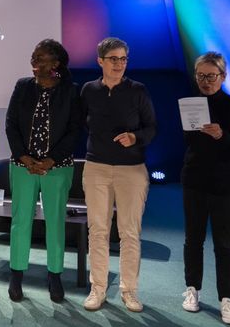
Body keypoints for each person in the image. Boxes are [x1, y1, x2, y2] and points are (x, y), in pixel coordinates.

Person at [80, 37, 156, 312]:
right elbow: (80, 122)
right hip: (96, 168)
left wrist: (135, 137)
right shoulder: (88, 90)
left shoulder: (138, 90)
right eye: (113, 58)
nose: (119, 64)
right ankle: (97, 289)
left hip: (132, 170)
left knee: (129, 232)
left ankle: (129, 291)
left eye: (123, 58)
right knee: (98, 231)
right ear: (100, 61)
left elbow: (152, 128)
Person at [5, 39, 81, 302]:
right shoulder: (23, 86)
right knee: (21, 221)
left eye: (40, 59)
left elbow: (74, 131)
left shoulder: (71, 91)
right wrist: (24, 157)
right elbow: (11, 124)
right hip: (23, 166)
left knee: (55, 222)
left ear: (55, 64)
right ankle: (16, 276)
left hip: (57, 167)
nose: (34, 63)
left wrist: (50, 160)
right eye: (33, 58)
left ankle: (55, 276)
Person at [180, 52, 230, 325]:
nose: (206, 81)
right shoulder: (190, 104)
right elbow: (188, 142)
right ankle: (192, 290)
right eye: (201, 76)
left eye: (211, 76)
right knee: (193, 239)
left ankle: (227, 300)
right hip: (194, 181)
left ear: (223, 76)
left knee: (224, 244)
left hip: (226, 185)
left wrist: (223, 136)